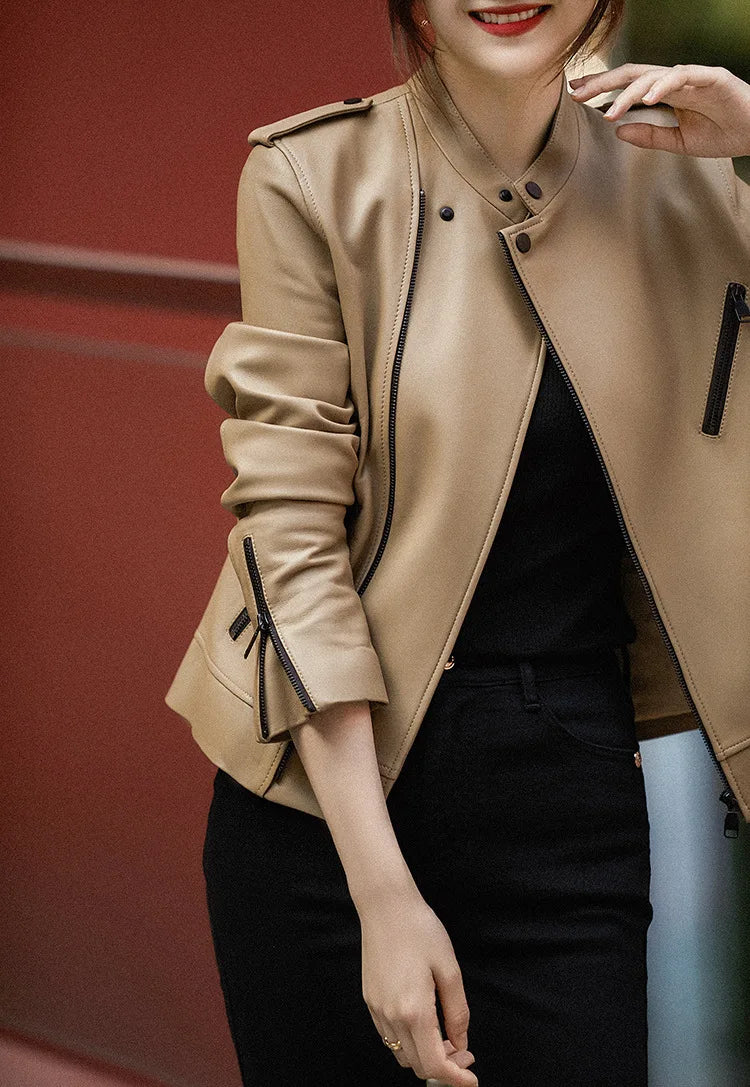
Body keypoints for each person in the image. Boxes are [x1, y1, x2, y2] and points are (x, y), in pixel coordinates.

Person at [164, 2, 750, 1083]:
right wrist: (380, 893)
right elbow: (291, 540)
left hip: (570, 799)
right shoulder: (313, 177)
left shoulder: (692, 173)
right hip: (326, 808)